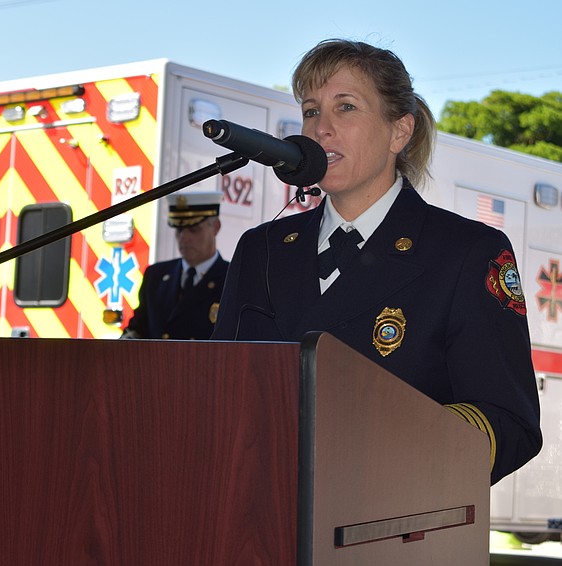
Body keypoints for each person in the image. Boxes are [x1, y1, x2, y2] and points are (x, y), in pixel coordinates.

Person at [211, 38, 541, 484]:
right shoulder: (261, 249)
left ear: (399, 132)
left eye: (345, 107)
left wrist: (393, 455)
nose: (320, 128)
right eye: (311, 110)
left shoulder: (467, 251)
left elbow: (508, 421)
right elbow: (218, 396)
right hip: (259, 521)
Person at [122, 191, 228, 340]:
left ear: (216, 227)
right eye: (179, 229)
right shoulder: (156, 275)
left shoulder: (232, 278)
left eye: (194, 229)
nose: (184, 237)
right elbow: (138, 329)